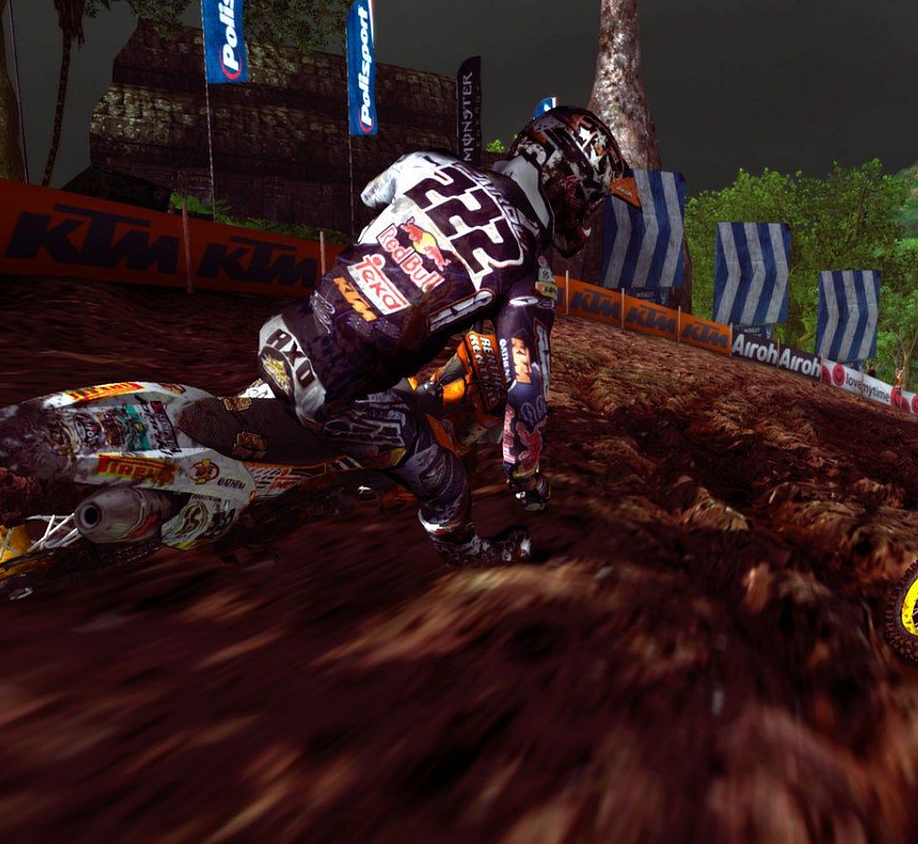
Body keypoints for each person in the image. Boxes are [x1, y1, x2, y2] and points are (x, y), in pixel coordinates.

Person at [254, 107, 638, 565]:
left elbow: (372, 193)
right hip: (338, 394)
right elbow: (526, 394)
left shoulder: (430, 164)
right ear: (570, 187)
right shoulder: (528, 275)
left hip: (286, 328)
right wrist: (525, 476)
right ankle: (470, 554)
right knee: (448, 482)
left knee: (406, 394)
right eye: (592, 200)